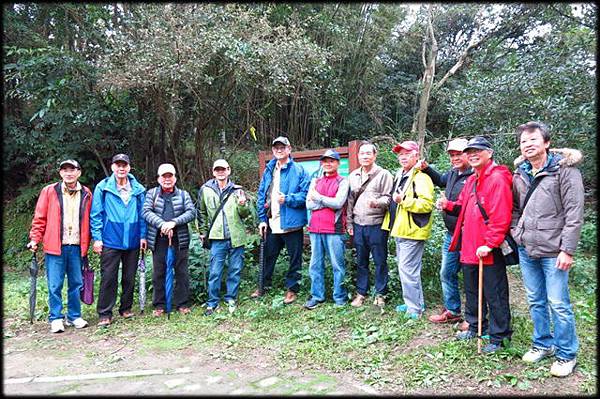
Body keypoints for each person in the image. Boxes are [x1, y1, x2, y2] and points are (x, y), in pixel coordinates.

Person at [511, 121, 584, 377]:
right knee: (535, 300)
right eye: (523, 141)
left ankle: (566, 354)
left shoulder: (565, 171)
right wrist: (516, 232)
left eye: (533, 140)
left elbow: (574, 214)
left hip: (554, 251)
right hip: (527, 248)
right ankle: (543, 343)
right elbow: (515, 209)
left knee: (558, 302)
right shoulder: (520, 173)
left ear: (547, 143)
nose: (528, 145)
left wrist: (568, 250)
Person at [439, 136, 513, 354]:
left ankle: (499, 337)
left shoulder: (497, 178)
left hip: (487, 248)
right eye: (469, 151)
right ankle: (475, 325)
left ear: (489, 153)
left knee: (495, 291)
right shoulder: (472, 179)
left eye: (477, 150)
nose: (472, 154)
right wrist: (448, 205)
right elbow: (462, 205)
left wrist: (490, 244)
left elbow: (501, 216)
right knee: (472, 289)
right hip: (468, 245)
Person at [28, 159, 92, 333]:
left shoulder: (86, 193)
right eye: (65, 170)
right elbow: (40, 218)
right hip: (56, 246)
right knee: (55, 284)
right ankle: (56, 318)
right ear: (60, 173)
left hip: (77, 246)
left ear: (79, 172)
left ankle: (74, 316)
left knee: (76, 283)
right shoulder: (49, 191)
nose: (69, 173)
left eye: (72, 169)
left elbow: (90, 220)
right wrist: (35, 239)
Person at [417, 138, 473, 329]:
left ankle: (476, 317)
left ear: (468, 153)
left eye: (459, 154)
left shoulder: (474, 175)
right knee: (447, 272)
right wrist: (426, 168)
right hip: (452, 234)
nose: (455, 158)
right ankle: (453, 311)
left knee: (471, 276)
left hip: (469, 235)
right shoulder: (453, 174)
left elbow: (469, 207)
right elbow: (440, 180)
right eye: (452, 155)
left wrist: (447, 205)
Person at [91, 154, 147, 327]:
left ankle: (126, 308)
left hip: (132, 239)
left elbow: (143, 215)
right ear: (112, 167)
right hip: (110, 239)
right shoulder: (103, 187)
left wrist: (143, 236)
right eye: (118, 165)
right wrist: (97, 238)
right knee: (109, 277)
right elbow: (96, 214)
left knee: (129, 277)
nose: (121, 168)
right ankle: (105, 313)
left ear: (129, 168)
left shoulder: (138, 189)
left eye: (124, 165)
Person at [252, 136, 311, 304]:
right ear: (273, 151)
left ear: (289, 149)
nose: (279, 150)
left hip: (291, 224)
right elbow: (261, 195)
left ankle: (292, 289)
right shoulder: (269, 170)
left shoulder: (299, 170)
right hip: (272, 222)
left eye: (282, 147)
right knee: (268, 256)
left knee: (294, 258)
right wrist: (262, 220)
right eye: (276, 148)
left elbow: (305, 196)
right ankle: (264, 285)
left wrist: (288, 199)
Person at [382, 141, 434, 319]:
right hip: (400, 229)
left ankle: (415, 309)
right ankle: (413, 302)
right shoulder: (401, 174)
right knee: (406, 269)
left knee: (408, 270)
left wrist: (403, 201)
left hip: (412, 231)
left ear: (416, 155)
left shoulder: (422, 178)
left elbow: (426, 205)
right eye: (400, 154)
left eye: (407, 153)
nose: (403, 157)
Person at [198, 159, 251, 315]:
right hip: (216, 237)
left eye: (223, 169)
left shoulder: (237, 190)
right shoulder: (205, 189)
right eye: (217, 169)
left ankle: (231, 298)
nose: (221, 172)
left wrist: (242, 205)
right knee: (215, 271)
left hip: (236, 236)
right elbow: (200, 212)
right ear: (213, 172)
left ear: (229, 170)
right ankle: (212, 302)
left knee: (235, 269)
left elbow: (245, 215)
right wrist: (202, 231)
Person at [142, 163, 196, 317]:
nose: (167, 179)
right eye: (163, 176)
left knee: (181, 272)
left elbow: (191, 212)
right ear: (158, 179)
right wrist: (162, 225)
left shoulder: (184, 195)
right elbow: (146, 212)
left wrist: (174, 222)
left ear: (175, 178)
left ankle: (182, 303)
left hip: (180, 238)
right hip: (159, 239)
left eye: (170, 176)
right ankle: (159, 305)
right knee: (159, 272)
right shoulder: (151, 194)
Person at [347, 141, 394, 308]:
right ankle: (361, 292)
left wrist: (378, 202)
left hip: (377, 224)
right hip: (358, 224)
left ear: (375, 155)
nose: (365, 156)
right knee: (361, 260)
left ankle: (381, 293)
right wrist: (349, 222)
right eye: (362, 153)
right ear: (358, 156)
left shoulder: (384, 174)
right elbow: (350, 201)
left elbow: (389, 197)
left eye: (368, 153)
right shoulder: (353, 176)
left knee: (380, 260)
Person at [304, 150, 350, 309]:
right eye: (325, 161)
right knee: (315, 265)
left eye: (331, 161)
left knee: (337, 265)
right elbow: (309, 204)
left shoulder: (343, 181)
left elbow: (338, 203)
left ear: (338, 163)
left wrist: (319, 199)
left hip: (334, 229)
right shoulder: (315, 181)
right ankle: (317, 296)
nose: (328, 163)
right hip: (315, 228)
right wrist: (325, 201)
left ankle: (339, 297)